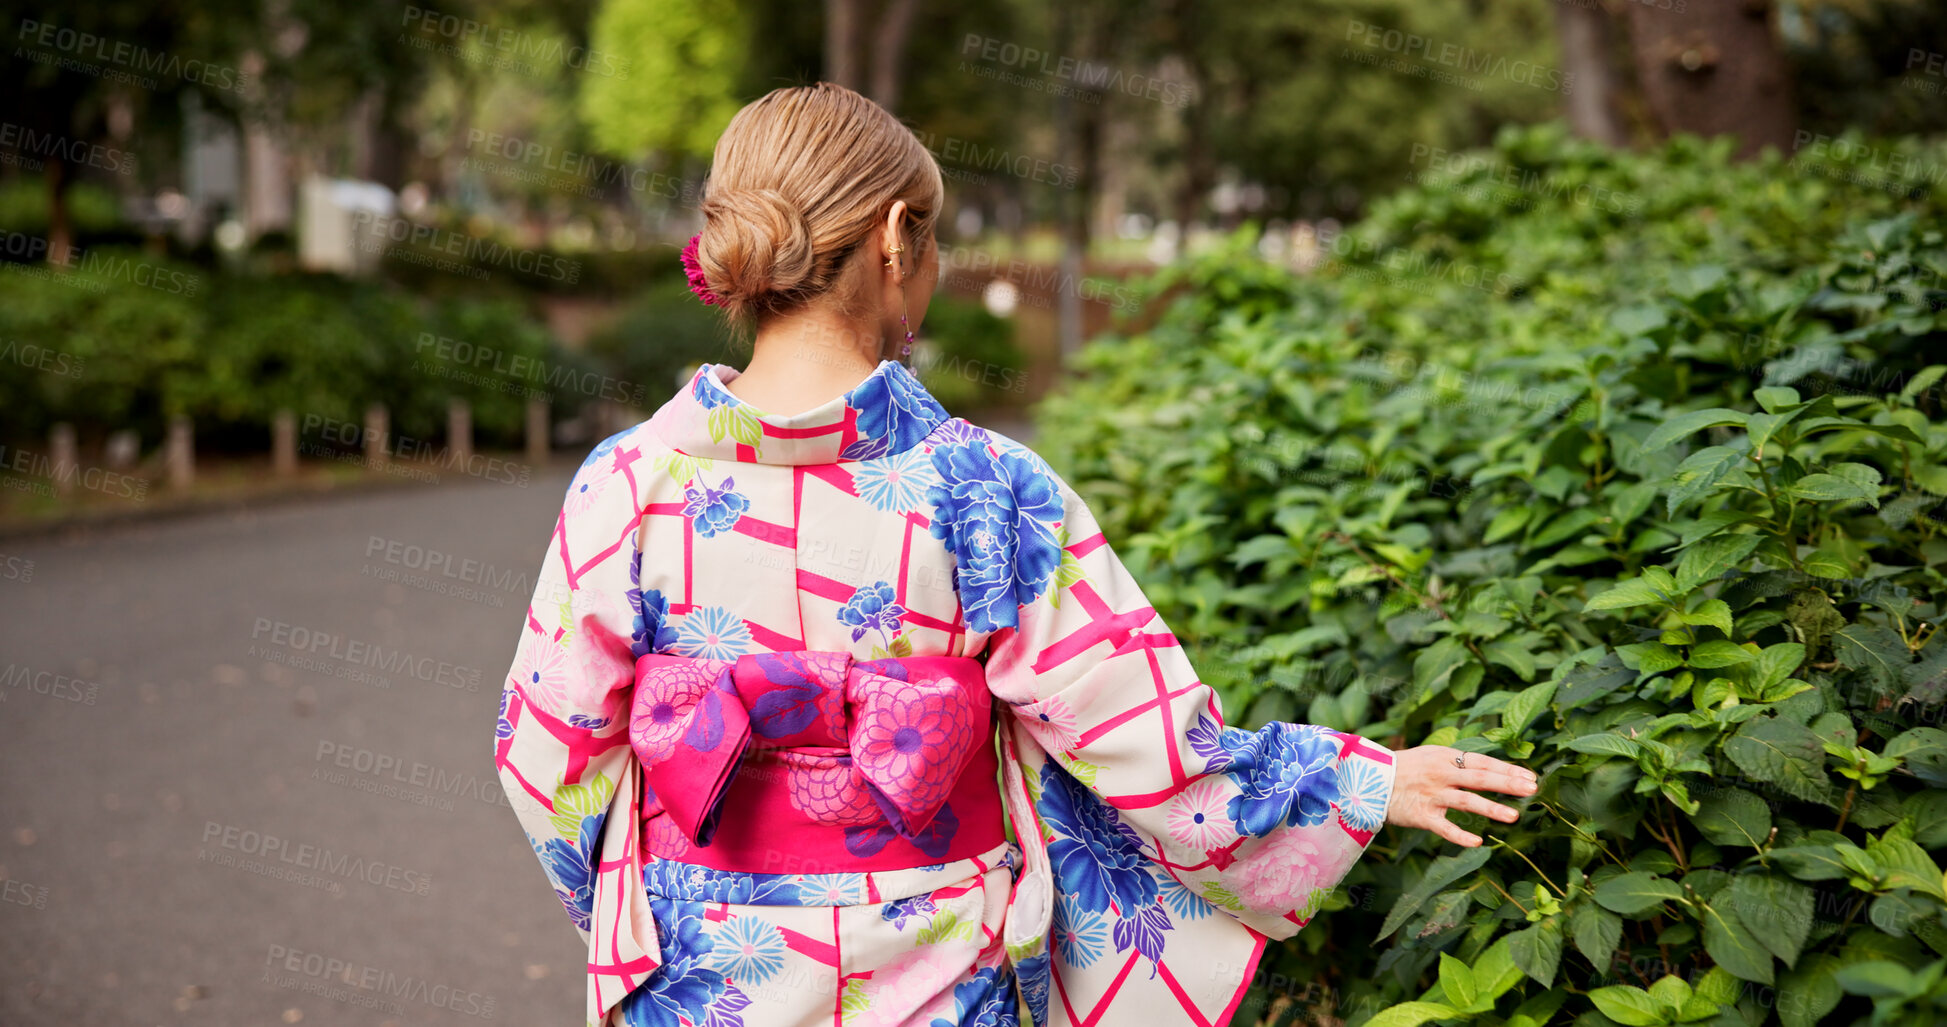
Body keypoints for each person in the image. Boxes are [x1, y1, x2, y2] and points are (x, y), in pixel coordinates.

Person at [493, 82, 1538, 1027]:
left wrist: (642, 916)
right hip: (935, 973)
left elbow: (544, 756)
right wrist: (1357, 783)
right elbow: (1145, 744)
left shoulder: (625, 484)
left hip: (697, 971)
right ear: (899, 240)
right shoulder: (984, 486)